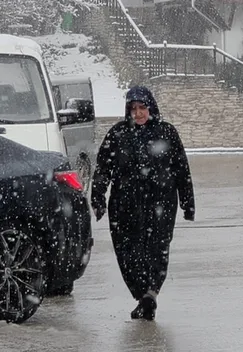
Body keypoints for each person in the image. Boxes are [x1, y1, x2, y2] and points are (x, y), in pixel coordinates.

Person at [91, 85, 195, 321]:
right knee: (127, 254)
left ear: (151, 108)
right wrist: (97, 197)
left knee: (157, 250)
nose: (138, 113)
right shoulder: (117, 134)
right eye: (133, 108)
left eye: (142, 107)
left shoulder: (167, 133)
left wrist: (188, 203)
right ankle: (142, 296)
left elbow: (181, 169)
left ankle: (150, 294)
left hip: (161, 204)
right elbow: (102, 169)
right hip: (125, 206)